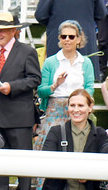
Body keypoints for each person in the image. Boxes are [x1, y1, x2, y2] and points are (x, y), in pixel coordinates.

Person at [0, 13, 41, 190]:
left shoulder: (26, 51)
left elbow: (35, 79)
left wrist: (11, 86)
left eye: (2, 30)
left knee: (22, 159)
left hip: (19, 115)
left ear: (14, 31)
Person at [37, 89, 108, 190]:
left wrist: (89, 175)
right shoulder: (56, 131)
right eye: (72, 105)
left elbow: (104, 157)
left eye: (81, 105)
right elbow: (47, 162)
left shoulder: (101, 134)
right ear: (67, 108)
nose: (76, 110)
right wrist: (77, 172)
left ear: (90, 107)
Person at [35, 0, 106, 76]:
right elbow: (101, 14)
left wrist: (53, 23)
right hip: (85, 41)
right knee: (85, 84)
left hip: (59, 41)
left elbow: (40, 15)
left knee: (58, 80)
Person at [35, 20, 95, 151]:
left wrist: (83, 101)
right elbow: (41, 91)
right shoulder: (50, 62)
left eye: (71, 36)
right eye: (63, 36)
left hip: (77, 108)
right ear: (59, 39)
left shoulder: (85, 62)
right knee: (50, 145)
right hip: (55, 109)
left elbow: (90, 86)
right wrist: (55, 85)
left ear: (79, 39)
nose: (67, 40)